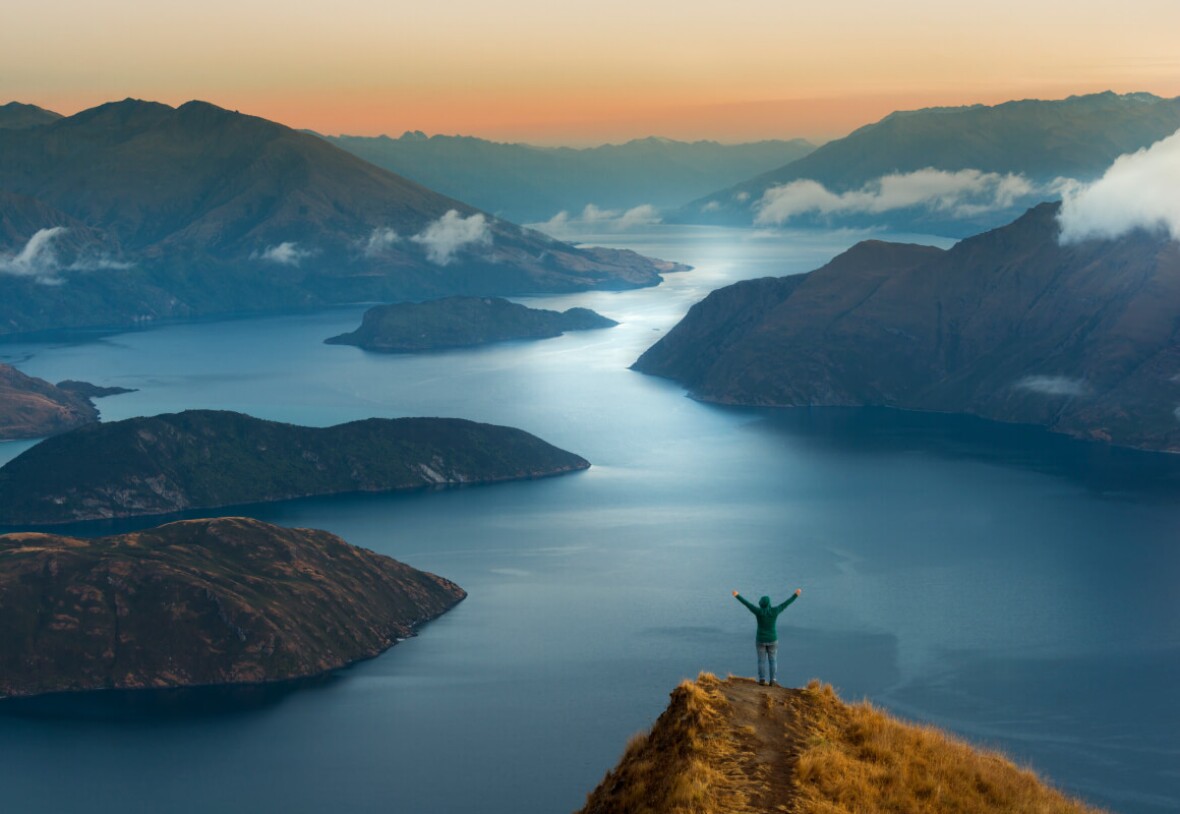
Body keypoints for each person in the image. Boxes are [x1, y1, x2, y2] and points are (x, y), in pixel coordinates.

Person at [733, 588, 802, 686]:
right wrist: (796, 595)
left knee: (761, 661)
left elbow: (747, 604)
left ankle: (762, 679)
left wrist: (737, 595)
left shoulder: (758, 611)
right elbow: (786, 604)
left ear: (761, 604)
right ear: (769, 603)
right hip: (772, 640)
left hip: (760, 640)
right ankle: (773, 680)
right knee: (773, 660)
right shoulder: (775, 611)